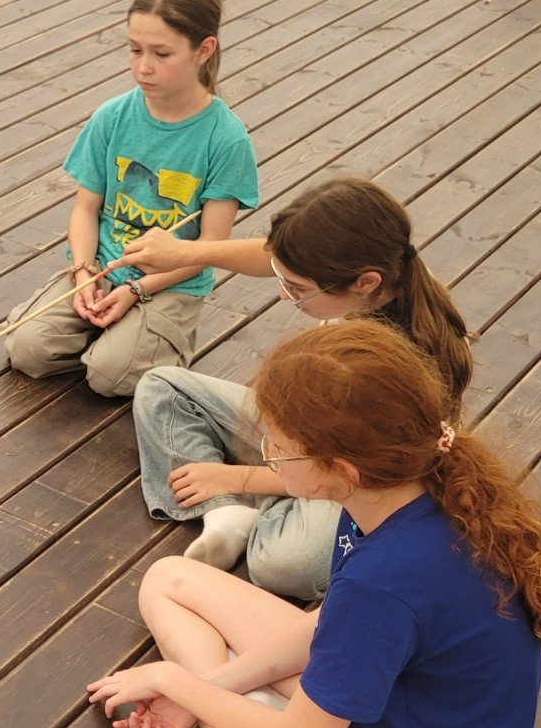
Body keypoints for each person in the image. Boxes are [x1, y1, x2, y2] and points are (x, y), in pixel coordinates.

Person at [87, 322, 541, 728]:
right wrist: (210, 690)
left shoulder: (385, 582)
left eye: (279, 449)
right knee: (169, 579)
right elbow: (330, 624)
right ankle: (247, 720)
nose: (268, 454)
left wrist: (175, 682)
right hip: (385, 703)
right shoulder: (401, 493)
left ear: (340, 469)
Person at [118, 175, 472, 599]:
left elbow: (343, 472)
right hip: (307, 432)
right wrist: (188, 252)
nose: (285, 296)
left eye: (299, 289)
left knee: (285, 564)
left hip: (359, 476)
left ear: (365, 282)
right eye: (285, 280)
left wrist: (236, 478)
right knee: (162, 386)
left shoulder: (386, 363)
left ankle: (249, 506)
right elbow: (271, 256)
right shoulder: (389, 268)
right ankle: (229, 514)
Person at [8, 0, 258, 397]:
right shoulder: (112, 117)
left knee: (109, 376)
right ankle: (114, 339)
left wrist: (136, 290)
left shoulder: (226, 139)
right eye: (134, 49)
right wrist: (84, 273)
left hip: (170, 282)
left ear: (204, 50)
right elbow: (85, 209)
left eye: (162, 54)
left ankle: (139, 343)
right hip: (103, 267)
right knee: (27, 350)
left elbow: (207, 250)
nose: (144, 66)